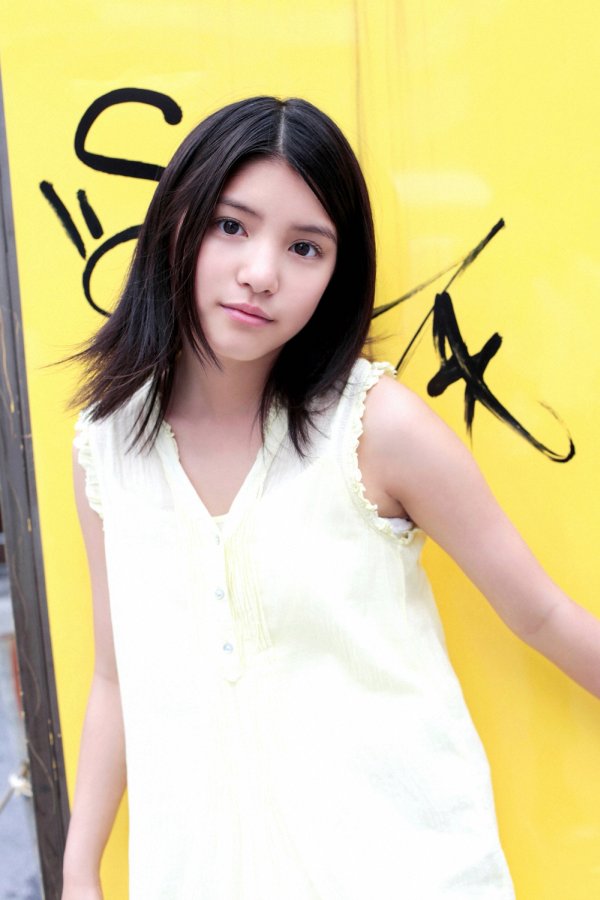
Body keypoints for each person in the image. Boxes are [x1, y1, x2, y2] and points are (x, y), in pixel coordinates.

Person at [62, 96, 600, 900]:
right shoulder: (107, 444)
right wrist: (79, 869)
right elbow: (115, 679)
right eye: (232, 226)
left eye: (305, 247)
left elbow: (543, 615)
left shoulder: (375, 428)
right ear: (175, 223)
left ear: (334, 277)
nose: (261, 273)